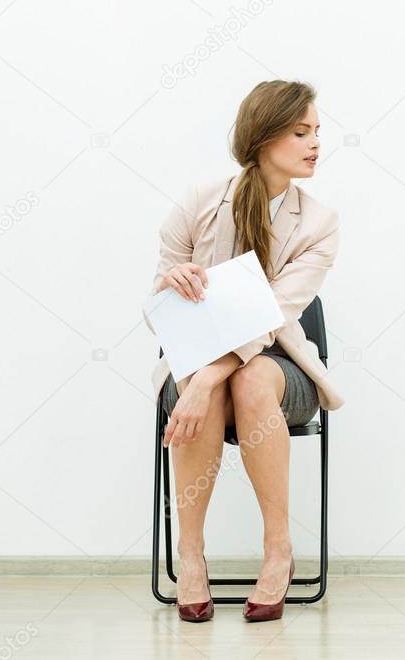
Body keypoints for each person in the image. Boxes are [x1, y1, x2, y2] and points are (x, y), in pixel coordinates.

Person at [143, 80, 344, 622]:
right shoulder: (198, 202)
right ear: (264, 136)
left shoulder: (320, 223)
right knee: (199, 382)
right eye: (301, 132)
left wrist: (207, 378)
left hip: (279, 369)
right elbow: (157, 306)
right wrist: (173, 282)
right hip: (195, 367)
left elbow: (271, 318)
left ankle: (278, 550)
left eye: (317, 132)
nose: (315, 144)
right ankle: (190, 555)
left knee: (247, 377)